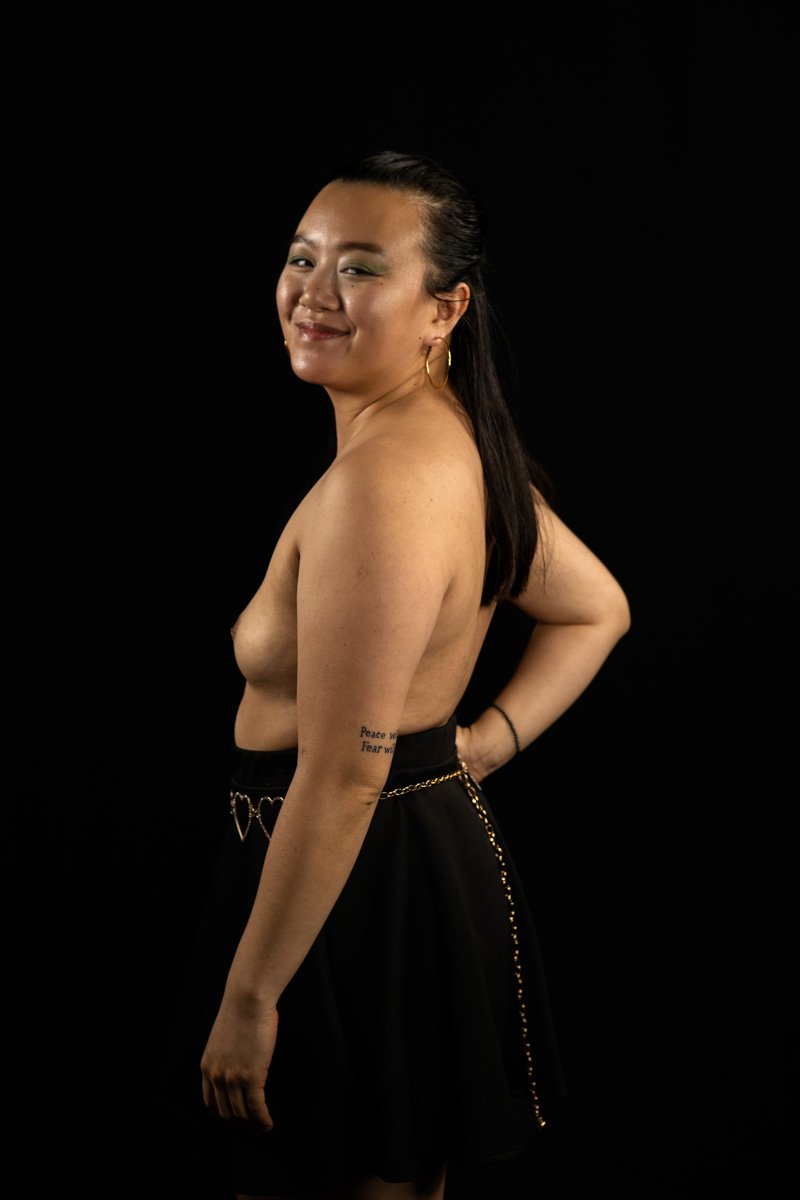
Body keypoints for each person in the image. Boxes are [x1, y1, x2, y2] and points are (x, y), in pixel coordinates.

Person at [160, 149, 631, 1200]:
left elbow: (342, 775)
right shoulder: (451, 444)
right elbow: (598, 606)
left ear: (442, 310)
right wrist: (477, 747)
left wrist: (250, 995)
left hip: (347, 886)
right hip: (380, 863)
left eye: (362, 268)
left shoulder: (384, 482)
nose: (314, 292)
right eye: (302, 258)